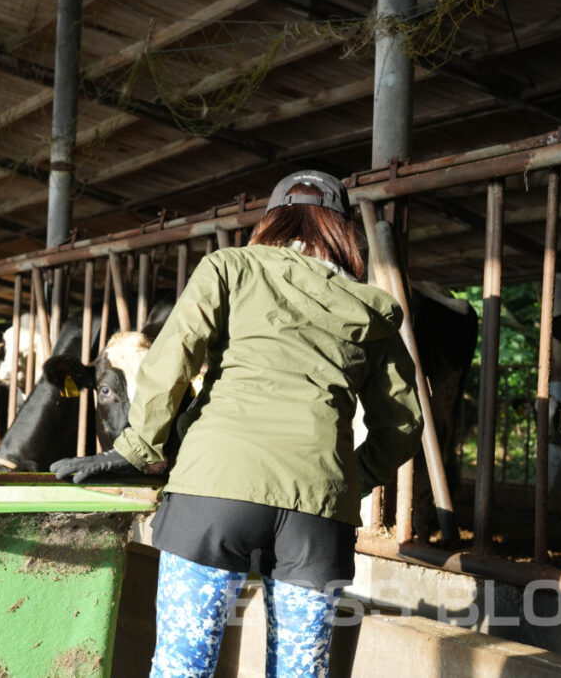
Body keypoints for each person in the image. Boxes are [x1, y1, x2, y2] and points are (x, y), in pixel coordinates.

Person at [52, 170, 423, 676]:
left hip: (213, 493)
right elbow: (402, 424)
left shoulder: (230, 267)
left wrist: (136, 449)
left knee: (183, 668)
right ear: (342, 231)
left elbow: (171, 362)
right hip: (317, 518)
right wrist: (347, 482)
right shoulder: (374, 309)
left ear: (271, 220)